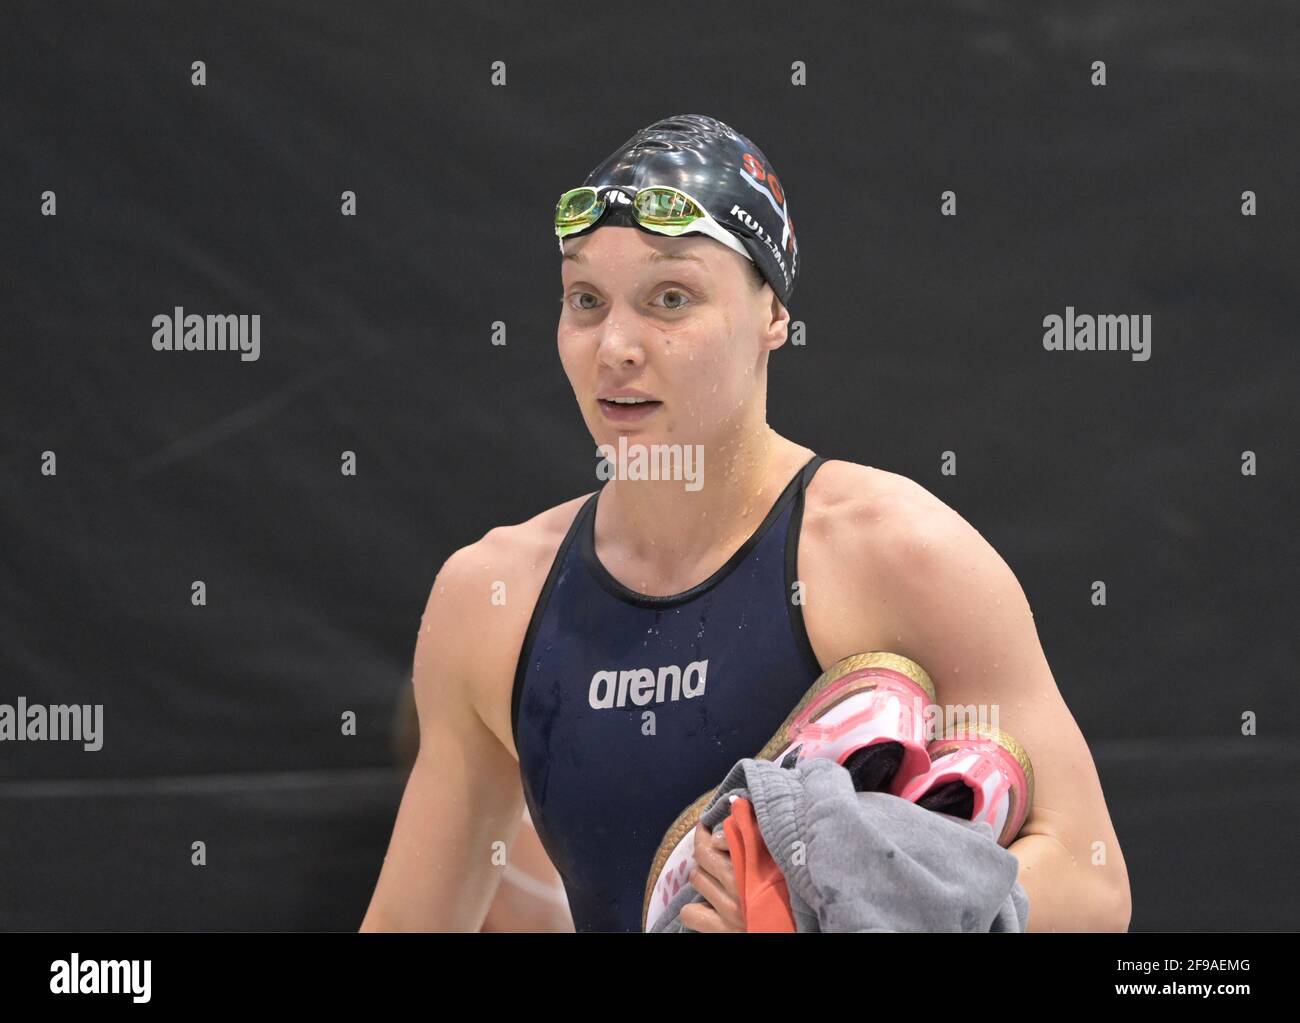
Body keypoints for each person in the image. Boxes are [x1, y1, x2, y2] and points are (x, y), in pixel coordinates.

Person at [360, 114, 1131, 933]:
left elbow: (1094, 887)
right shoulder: (493, 598)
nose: (615, 344)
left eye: (670, 298)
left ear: (773, 316)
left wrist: (840, 916)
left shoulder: (900, 555)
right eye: (586, 299)